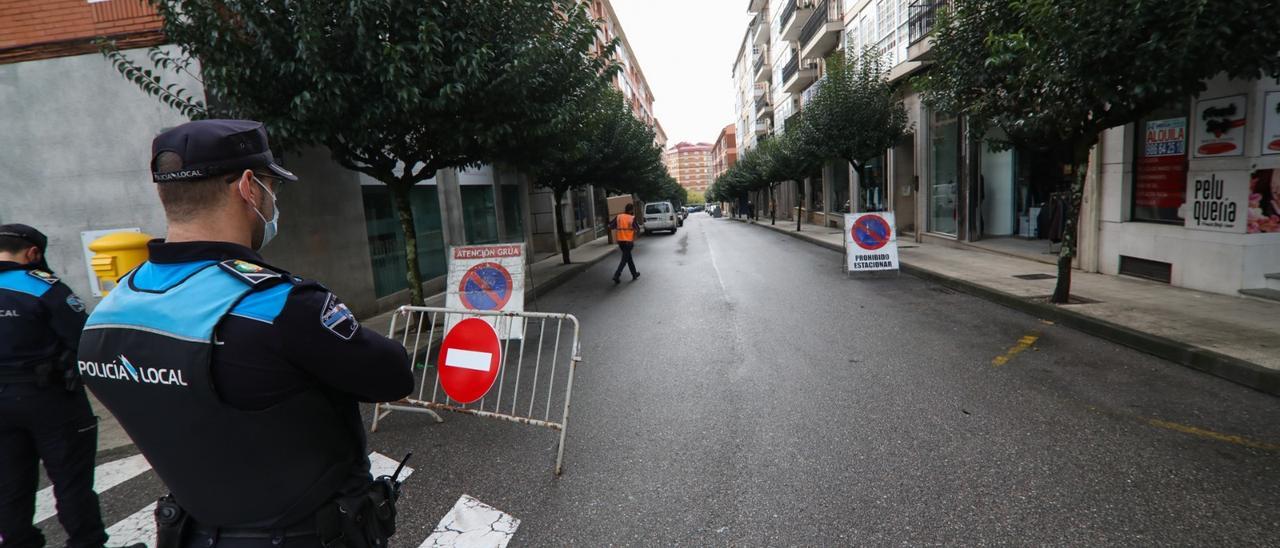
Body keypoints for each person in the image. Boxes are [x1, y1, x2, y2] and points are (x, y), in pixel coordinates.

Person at [77, 120, 414, 548]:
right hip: (310, 534)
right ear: (249, 187)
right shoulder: (281, 305)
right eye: (273, 187)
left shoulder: (107, 314)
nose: (273, 203)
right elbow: (393, 376)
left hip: (192, 531)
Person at [0, 224, 133, 548]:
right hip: (50, 398)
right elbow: (84, 337)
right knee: (71, 480)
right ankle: (86, 543)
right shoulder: (42, 287)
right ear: (33, 253)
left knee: (9, 482)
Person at [609, 203, 641, 284]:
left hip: (620, 242)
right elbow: (637, 229)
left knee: (628, 258)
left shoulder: (619, 216)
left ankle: (634, 274)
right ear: (631, 210)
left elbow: (611, 226)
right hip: (628, 242)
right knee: (624, 259)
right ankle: (617, 275)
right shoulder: (631, 218)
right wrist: (636, 233)